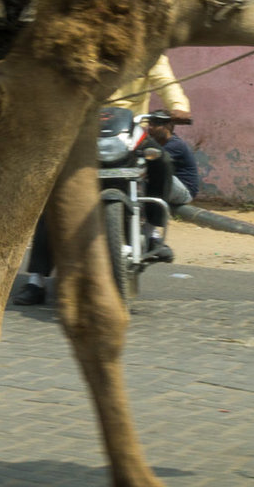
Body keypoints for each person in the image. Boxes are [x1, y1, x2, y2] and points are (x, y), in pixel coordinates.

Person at [14, 54, 193, 305]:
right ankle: (36, 280)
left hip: (131, 131)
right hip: (84, 130)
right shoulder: (86, 46)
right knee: (55, 199)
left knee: (161, 161)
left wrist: (178, 107)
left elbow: (166, 81)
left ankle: (152, 231)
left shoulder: (149, 51)